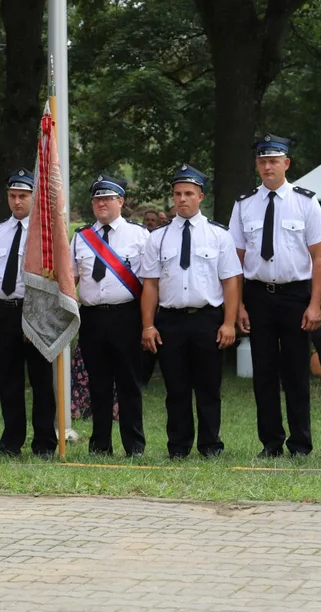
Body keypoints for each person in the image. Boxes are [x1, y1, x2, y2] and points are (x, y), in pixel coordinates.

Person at [230, 134, 321, 458]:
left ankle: (300, 444)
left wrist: (315, 305)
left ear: (286, 163)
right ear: (256, 165)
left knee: (296, 372)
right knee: (264, 371)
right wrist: (240, 305)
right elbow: (236, 258)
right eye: (262, 161)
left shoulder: (305, 201)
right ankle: (270, 443)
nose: (267, 166)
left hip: (295, 296)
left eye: (273, 160)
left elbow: (319, 257)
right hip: (258, 295)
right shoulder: (244, 204)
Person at [140, 164, 242, 458]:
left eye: (188, 193)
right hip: (170, 320)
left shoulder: (218, 235)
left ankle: (211, 445)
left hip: (207, 319)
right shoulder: (157, 238)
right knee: (176, 389)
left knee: (209, 388)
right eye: (177, 194)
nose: (182, 199)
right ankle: (178, 446)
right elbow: (150, 285)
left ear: (200, 196)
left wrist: (229, 323)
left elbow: (231, 283)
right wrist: (148, 325)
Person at [0, 169, 56, 458]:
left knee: (41, 382)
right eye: (13, 196)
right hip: (5, 313)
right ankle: (11, 441)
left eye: (23, 196)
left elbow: (53, 278)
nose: (17, 202)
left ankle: (45, 442)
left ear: (34, 198)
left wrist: (36, 316)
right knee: (8, 380)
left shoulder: (45, 234)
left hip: (35, 311)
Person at [72, 174, 149, 457]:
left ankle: (134, 446)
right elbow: (71, 277)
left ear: (121, 201)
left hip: (126, 316)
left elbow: (149, 283)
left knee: (129, 383)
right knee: (99, 383)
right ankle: (100, 445)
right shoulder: (81, 237)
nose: (101, 204)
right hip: (92, 318)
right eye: (97, 199)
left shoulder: (140, 235)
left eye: (107, 198)